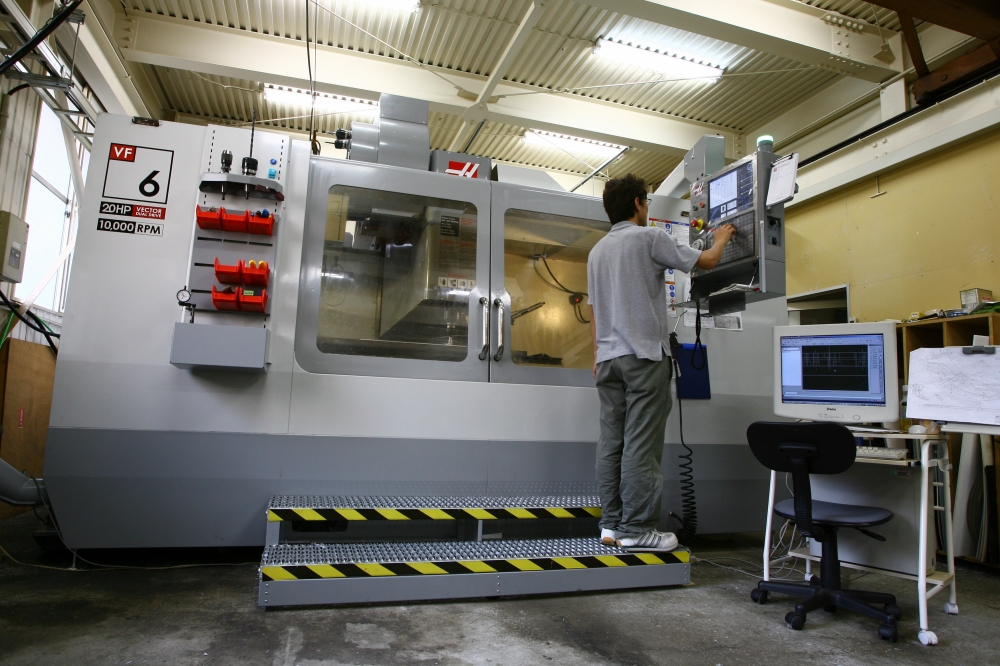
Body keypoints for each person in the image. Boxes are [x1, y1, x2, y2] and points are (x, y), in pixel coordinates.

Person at [587, 173, 735, 552]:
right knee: (641, 444)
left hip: (608, 361)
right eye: (647, 202)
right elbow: (708, 261)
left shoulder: (597, 251)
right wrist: (722, 236)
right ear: (638, 203)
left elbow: (595, 312)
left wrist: (597, 355)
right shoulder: (649, 238)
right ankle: (637, 529)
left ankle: (611, 525)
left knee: (612, 442)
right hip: (643, 357)